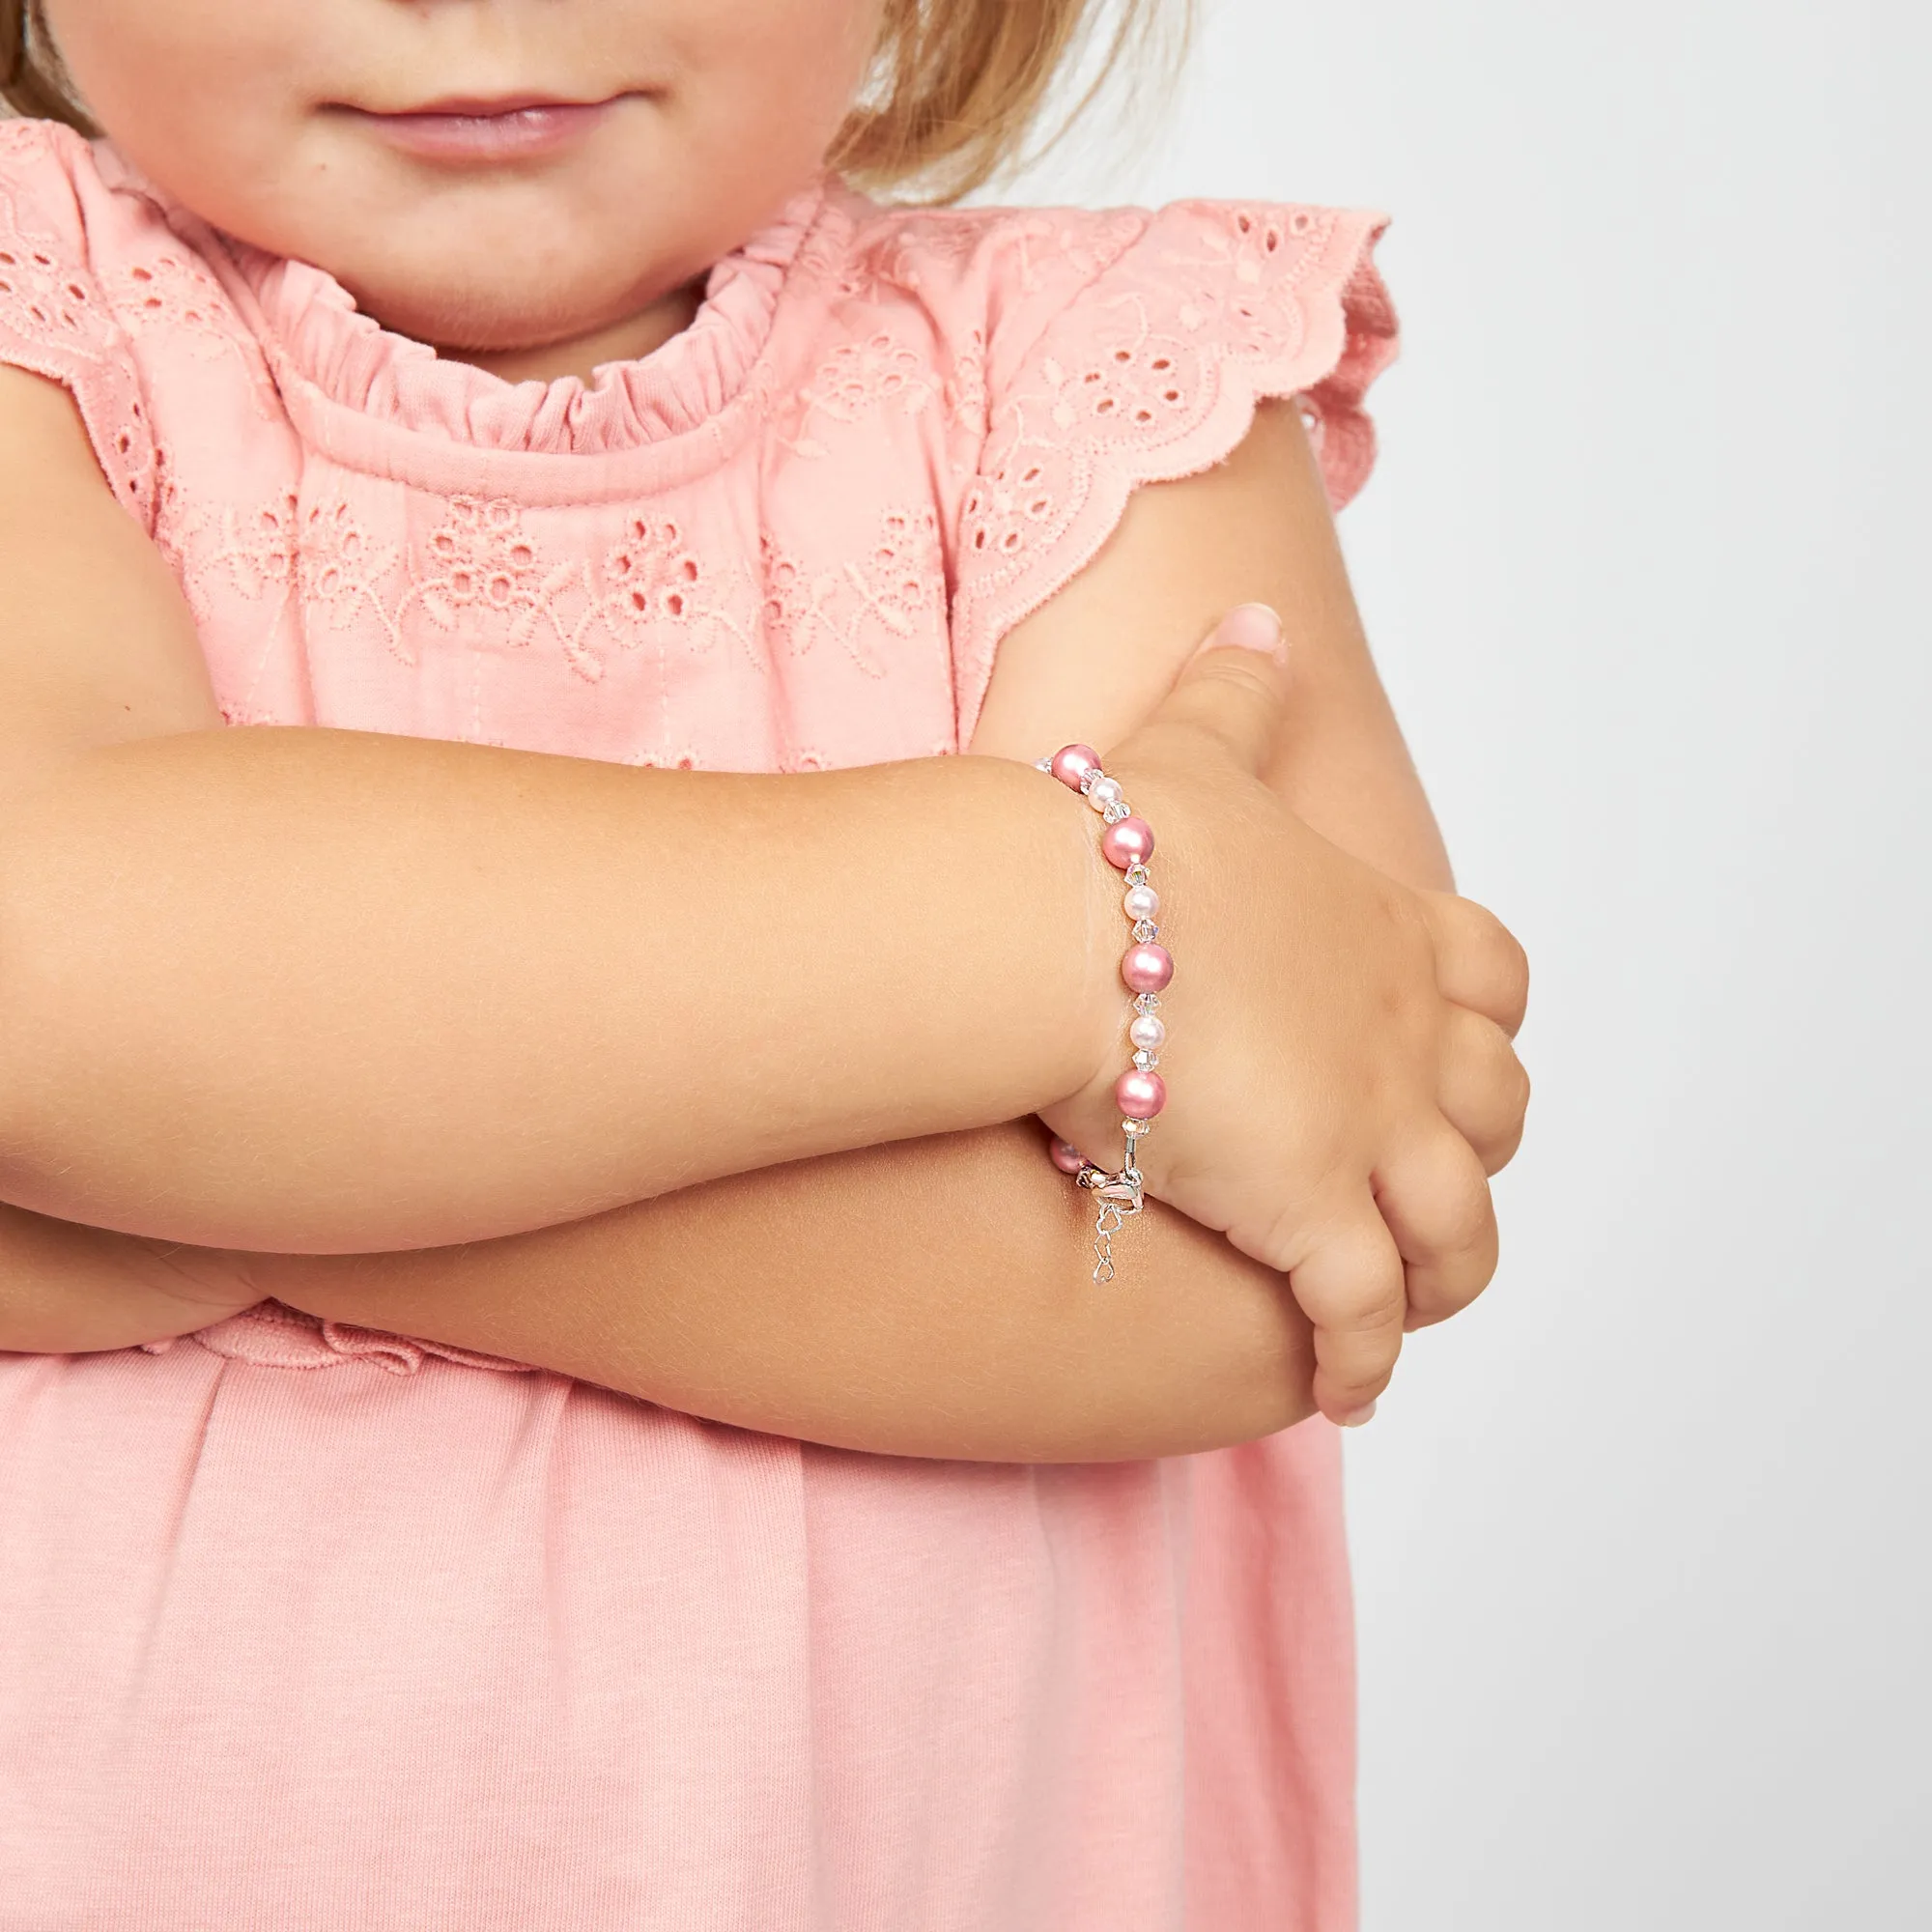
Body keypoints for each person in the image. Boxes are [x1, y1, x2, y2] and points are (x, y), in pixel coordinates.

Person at [0, 0, 1529, 1924]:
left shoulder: (1098, 383)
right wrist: (1047, 913)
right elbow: (41, 960)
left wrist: (198, 1163)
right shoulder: (28, 315)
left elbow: (1250, 1277)